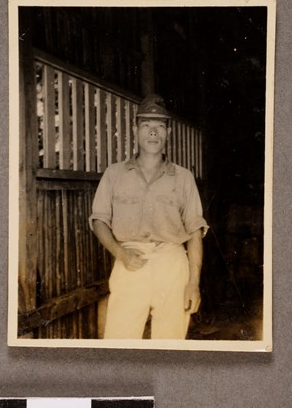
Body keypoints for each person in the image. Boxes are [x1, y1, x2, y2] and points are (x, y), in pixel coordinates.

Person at [89, 94, 208, 339]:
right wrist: (120, 253)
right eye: (146, 125)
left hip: (172, 264)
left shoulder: (183, 178)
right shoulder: (114, 174)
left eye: (160, 126)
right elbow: (99, 221)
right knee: (119, 340)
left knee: (170, 342)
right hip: (129, 261)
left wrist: (193, 283)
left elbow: (195, 232)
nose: (153, 132)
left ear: (168, 133)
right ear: (136, 130)